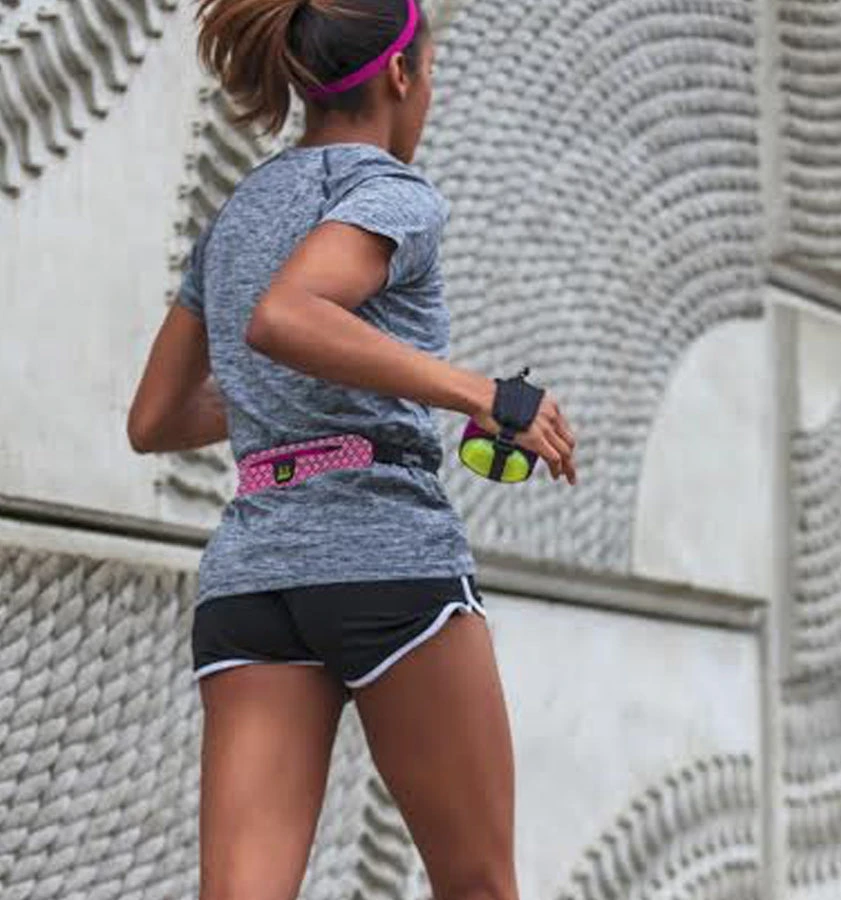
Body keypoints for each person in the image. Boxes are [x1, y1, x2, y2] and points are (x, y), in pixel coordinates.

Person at [127, 0, 577, 898]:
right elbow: (289, 315)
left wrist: (276, 398)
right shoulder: (391, 191)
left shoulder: (239, 215)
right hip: (383, 560)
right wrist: (483, 393)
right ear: (402, 75)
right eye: (432, 75)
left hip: (255, 577)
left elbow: (156, 419)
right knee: (480, 886)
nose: (430, 96)